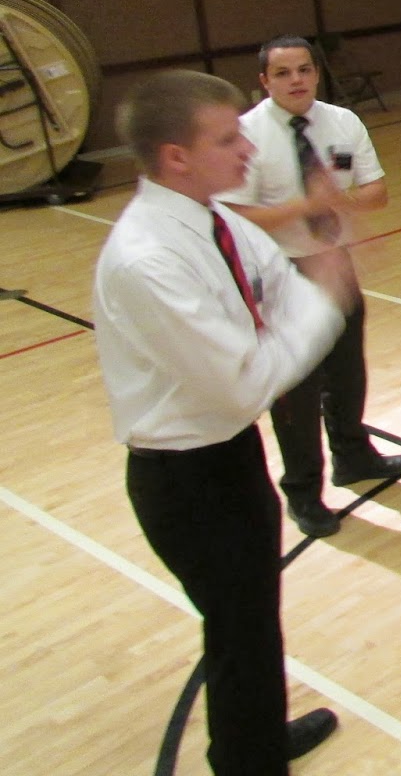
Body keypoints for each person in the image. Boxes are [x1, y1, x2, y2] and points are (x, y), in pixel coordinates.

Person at [93, 70, 350, 773]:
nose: (248, 149)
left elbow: (280, 289)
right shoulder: (148, 260)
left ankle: (251, 740)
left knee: (251, 621)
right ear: (176, 156)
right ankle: (247, 759)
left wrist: (302, 306)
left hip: (230, 458)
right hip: (187, 482)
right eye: (228, 138)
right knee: (239, 626)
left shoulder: (217, 218)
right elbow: (244, 385)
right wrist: (326, 297)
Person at [221, 36, 401, 538]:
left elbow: (377, 192)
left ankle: (353, 456)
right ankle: (303, 491)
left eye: (305, 70)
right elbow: (236, 216)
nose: (297, 81)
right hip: (280, 272)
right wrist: (305, 206)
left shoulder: (343, 122)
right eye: (283, 73)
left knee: (347, 370)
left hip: (335, 261)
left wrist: (339, 202)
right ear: (264, 81)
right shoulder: (245, 135)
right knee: (297, 389)